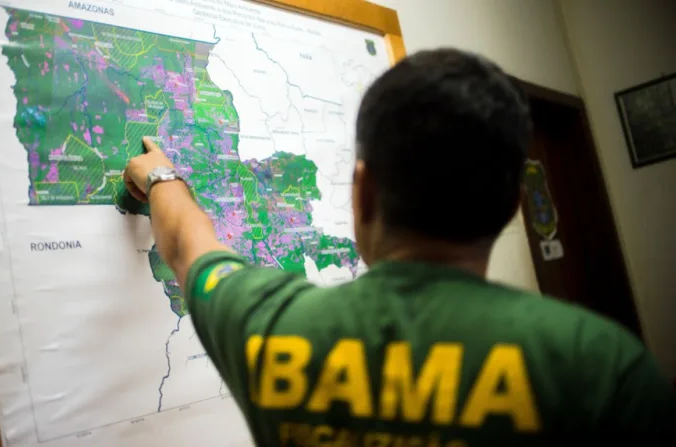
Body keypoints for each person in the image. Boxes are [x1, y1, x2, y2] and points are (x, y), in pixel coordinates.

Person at [123, 48, 675, 446]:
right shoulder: (603, 368)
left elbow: (187, 243)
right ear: (513, 205)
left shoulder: (273, 327)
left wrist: (161, 175)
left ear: (363, 192)